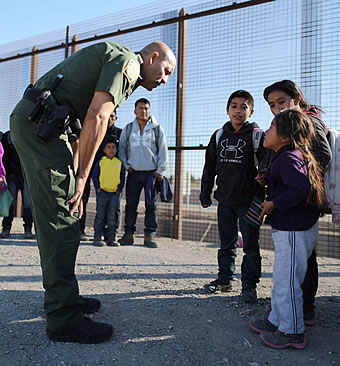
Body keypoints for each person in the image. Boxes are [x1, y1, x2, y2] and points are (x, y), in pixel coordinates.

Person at [10, 41, 176, 343]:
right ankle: (63, 319)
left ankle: (66, 299)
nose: (165, 80)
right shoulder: (130, 64)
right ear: (153, 57)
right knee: (60, 221)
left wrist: (75, 177)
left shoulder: (121, 64)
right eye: (166, 71)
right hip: (40, 128)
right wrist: (84, 176)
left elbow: (76, 125)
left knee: (67, 215)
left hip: (45, 126)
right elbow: (97, 117)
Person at [249, 109, 327, 349]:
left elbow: (300, 190)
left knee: (287, 281)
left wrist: (273, 203)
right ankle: (276, 320)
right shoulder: (286, 156)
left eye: (271, 128)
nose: (266, 131)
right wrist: (269, 181)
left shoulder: (288, 157)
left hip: (294, 230)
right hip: (292, 229)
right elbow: (292, 184)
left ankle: (292, 332)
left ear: (284, 135)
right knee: (283, 278)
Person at [260, 79, 332, 325]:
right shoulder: (288, 129)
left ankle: (298, 316)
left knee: (297, 267)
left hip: (298, 210)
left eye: (281, 102)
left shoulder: (304, 124)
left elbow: (323, 155)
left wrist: (297, 175)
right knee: (296, 265)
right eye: (272, 105)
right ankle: (289, 310)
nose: (277, 108)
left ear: (297, 99)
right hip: (296, 208)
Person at [200, 90, 266, 303]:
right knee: (226, 243)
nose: (238, 111)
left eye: (243, 106)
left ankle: (249, 286)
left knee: (250, 246)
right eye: (234, 106)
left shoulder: (257, 135)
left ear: (251, 110)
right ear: (227, 110)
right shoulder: (219, 135)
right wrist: (205, 192)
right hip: (225, 201)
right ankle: (224, 279)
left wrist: (264, 180)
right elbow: (209, 167)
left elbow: (266, 165)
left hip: (250, 201)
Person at [118, 98, 168, 249]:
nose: (143, 111)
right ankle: (128, 235)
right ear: (135, 111)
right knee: (131, 205)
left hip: (151, 175)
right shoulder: (128, 128)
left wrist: (160, 170)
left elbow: (163, 149)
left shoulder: (157, 128)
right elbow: (122, 149)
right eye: (140, 108)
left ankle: (150, 236)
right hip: (133, 173)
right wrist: (127, 166)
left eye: (146, 108)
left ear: (149, 110)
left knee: (151, 206)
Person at [79, 109, 122, 241]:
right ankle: (80, 229)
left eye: (112, 117)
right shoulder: (94, 130)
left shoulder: (119, 133)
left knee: (113, 205)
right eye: (107, 116)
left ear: (116, 118)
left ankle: (110, 234)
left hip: (111, 173)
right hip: (93, 167)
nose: (109, 119)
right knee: (83, 197)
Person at [0, 131, 34, 239]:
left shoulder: (30, 135)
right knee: (10, 202)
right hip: (11, 174)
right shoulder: (7, 137)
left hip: (26, 175)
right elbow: (3, 156)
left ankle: (28, 229)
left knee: (28, 204)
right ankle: (6, 228)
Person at [92, 139, 125, 247]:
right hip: (102, 192)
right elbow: (95, 175)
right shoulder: (101, 161)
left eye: (113, 147)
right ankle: (98, 236)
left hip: (114, 194)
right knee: (100, 215)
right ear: (104, 150)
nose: (111, 150)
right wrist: (98, 188)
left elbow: (122, 178)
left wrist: (119, 190)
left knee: (112, 217)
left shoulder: (119, 163)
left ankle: (111, 238)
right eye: (109, 147)